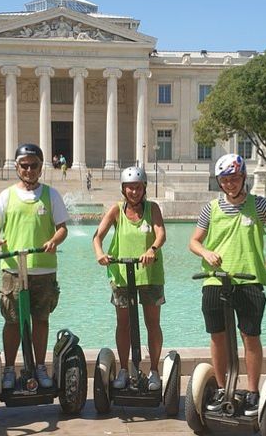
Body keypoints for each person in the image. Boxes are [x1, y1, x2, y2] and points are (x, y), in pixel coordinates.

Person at [188, 154, 266, 416]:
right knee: (217, 336)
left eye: (234, 178)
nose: (229, 184)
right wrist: (205, 253)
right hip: (216, 280)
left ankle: (252, 391)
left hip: (249, 280)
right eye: (225, 180)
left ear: (243, 178)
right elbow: (194, 241)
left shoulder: (259, 205)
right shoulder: (211, 208)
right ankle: (220, 387)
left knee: (250, 336)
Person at [0, 143, 69, 389]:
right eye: (25, 165)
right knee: (12, 320)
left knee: (41, 319)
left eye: (34, 165)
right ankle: (10, 368)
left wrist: (55, 240)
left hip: (43, 268)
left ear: (41, 167)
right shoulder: (7, 195)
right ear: (17, 167)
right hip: (13, 268)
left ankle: (41, 367)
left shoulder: (51, 195)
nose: (29, 170)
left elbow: (62, 228)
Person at [93, 166, 166, 391]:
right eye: (129, 188)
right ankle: (124, 369)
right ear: (123, 190)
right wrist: (100, 253)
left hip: (150, 274)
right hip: (122, 275)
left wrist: (152, 249)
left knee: (152, 323)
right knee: (123, 324)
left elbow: (161, 233)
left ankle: (154, 370)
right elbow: (97, 236)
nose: (134, 192)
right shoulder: (116, 210)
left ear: (144, 188)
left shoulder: (152, 208)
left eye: (137, 187)